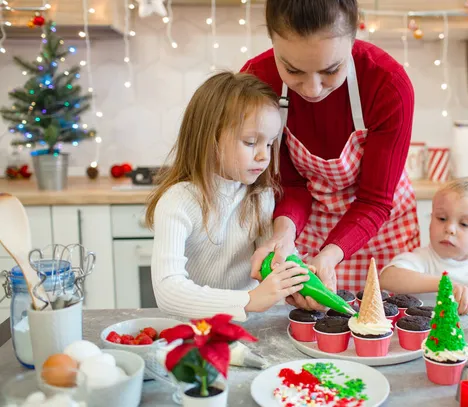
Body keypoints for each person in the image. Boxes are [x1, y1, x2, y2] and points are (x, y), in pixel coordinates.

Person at [243, 0, 419, 310]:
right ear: (272, 40)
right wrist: (284, 236)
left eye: (331, 70)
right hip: (306, 224)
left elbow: (374, 200)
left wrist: (330, 255)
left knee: (385, 322)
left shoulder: (387, 84)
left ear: (353, 37)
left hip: (379, 226)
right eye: (293, 70)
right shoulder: (258, 81)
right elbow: (293, 185)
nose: (312, 90)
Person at [146, 72, 309, 321]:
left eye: (269, 144)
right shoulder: (178, 201)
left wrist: (299, 282)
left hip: (251, 326)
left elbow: (275, 262)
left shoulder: (261, 197)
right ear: (209, 138)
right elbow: (168, 291)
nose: (264, 156)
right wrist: (249, 300)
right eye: (251, 142)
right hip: (194, 330)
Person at [379, 177, 468, 314]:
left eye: (464, 224)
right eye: (442, 218)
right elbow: (388, 278)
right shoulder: (422, 259)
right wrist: (445, 283)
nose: (449, 228)